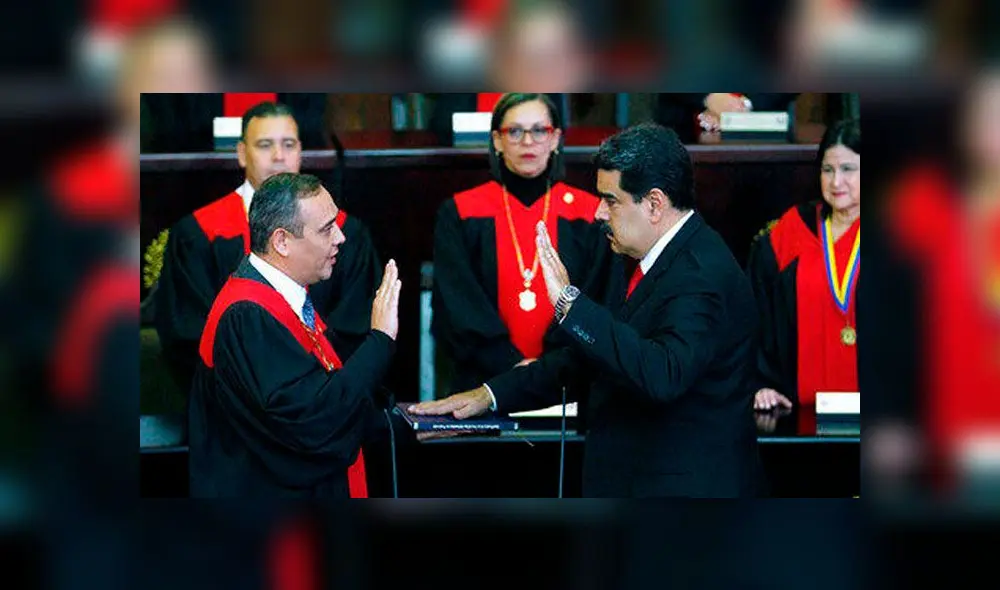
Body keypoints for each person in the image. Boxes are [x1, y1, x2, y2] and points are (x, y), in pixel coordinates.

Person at [413, 123, 761, 498]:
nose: (598, 213)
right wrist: (489, 395)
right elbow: (596, 361)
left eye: (611, 200)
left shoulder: (700, 273)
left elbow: (663, 374)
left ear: (654, 204)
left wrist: (571, 304)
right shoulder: (668, 260)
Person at [188, 173, 401, 498]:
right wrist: (379, 340)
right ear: (282, 242)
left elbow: (322, 394)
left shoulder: (284, 300)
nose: (341, 237)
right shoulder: (247, 315)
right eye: (327, 229)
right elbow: (312, 425)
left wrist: (406, 420)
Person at [154, 101, 382, 394]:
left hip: (326, 396)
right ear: (241, 153)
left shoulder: (345, 232)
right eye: (264, 145)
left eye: (288, 144)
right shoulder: (198, 234)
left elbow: (354, 324)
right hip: (233, 402)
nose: (278, 156)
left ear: (301, 151)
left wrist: (309, 387)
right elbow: (187, 335)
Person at [432, 92, 612, 395]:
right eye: (514, 131)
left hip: (570, 384)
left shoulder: (590, 214)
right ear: (497, 141)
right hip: (484, 385)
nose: (528, 141)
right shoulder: (461, 212)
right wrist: (511, 367)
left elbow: (600, 301)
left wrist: (548, 370)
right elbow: (458, 306)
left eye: (539, 130)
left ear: (555, 138)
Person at [747, 119, 860, 411]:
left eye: (848, 169)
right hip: (799, 409)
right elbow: (755, 316)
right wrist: (760, 384)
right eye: (827, 170)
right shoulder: (791, 231)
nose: (836, 182)